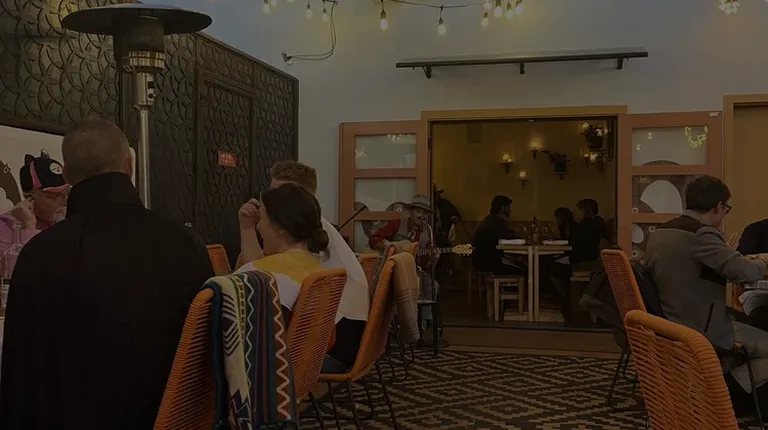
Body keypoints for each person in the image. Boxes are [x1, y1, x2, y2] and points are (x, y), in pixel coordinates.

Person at [0, 118, 214, 429]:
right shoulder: (187, 244)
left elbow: (20, 375)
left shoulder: (41, 254)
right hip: (173, 419)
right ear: (129, 166)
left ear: (68, 175)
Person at [643, 175, 768, 417]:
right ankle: (725, 395)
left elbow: (691, 268)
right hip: (699, 326)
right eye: (726, 209)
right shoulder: (701, 234)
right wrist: (764, 259)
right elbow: (744, 272)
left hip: (671, 319)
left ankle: (720, 385)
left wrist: (725, 254)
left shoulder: (663, 231)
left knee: (754, 322)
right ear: (718, 206)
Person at [238, 161, 369, 374]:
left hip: (328, 350)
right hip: (335, 341)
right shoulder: (311, 231)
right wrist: (247, 228)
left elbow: (252, 279)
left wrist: (247, 229)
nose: (272, 199)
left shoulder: (303, 237)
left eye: (281, 193)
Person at [237, 183, 328, 310]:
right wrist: (247, 228)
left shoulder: (265, 275)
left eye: (261, 218)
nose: (258, 226)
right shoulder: (318, 269)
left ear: (281, 228)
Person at [0, 151, 69, 253]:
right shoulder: (4, 228)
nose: (65, 202)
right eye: (54, 196)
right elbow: (29, 263)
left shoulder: (64, 221)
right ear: (29, 197)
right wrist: (29, 226)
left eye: (67, 193)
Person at [471, 195, 525, 275]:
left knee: (521, 263)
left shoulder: (488, 220)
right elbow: (509, 239)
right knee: (525, 271)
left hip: (481, 261)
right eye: (508, 207)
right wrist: (511, 224)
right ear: (503, 208)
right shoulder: (496, 223)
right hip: (492, 263)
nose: (510, 210)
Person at [571, 198, 610, 269]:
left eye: (579, 210)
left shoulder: (583, 227)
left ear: (586, 211)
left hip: (585, 262)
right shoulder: (600, 225)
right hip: (596, 261)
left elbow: (576, 247)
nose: (574, 213)